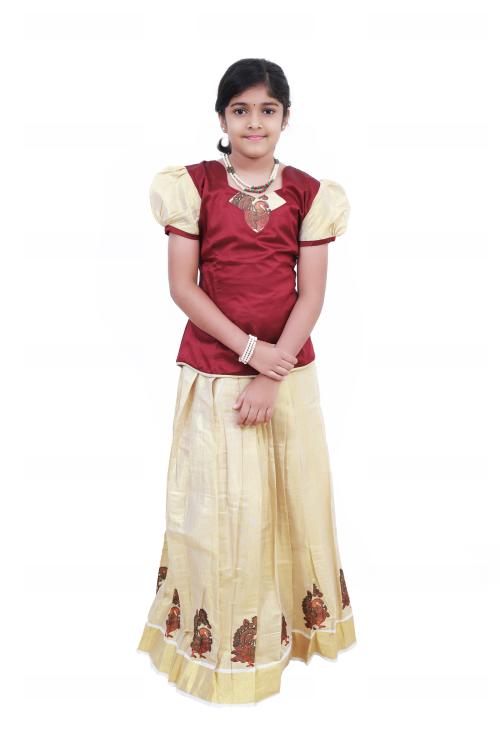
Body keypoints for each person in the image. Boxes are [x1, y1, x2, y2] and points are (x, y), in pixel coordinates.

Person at [137, 57, 357, 705]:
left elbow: (310, 294)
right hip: (216, 371)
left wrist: (273, 370)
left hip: (287, 377)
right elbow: (184, 287)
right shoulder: (193, 186)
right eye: (241, 110)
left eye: (267, 110)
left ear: (285, 118)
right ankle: (216, 643)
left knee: (290, 499)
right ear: (222, 118)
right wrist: (251, 354)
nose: (254, 122)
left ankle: (286, 633)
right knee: (221, 508)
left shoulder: (311, 194)